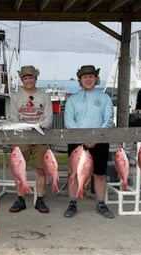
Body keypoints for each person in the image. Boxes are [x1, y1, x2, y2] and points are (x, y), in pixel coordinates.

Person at [63, 65, 115, 219]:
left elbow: (109, 119)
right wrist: (82, 139)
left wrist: (96, 138)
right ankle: (72, 202)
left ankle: (101, 204)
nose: (88, 80)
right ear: (80, 80)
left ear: (96, 79)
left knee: (100, 174)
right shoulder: (73, 99)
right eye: (85, 77)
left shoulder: (105, 98)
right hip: (77, 142)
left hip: (99, 141)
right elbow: (69, 121)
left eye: (91, 77)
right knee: (74, 173)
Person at [8, 65, 53, 213]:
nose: (28, 80)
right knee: (19, 169)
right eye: (25, 78)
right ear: (22, 80)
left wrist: (37, 126)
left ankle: (39, 199)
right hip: (22, 136)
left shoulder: (44, 95)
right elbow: (13, 117)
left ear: (36, 78)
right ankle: (20, 198)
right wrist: (24, 127)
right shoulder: (15, 96)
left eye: (31, 77)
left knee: (41, 169)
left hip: (40, 136)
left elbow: (49, 118)